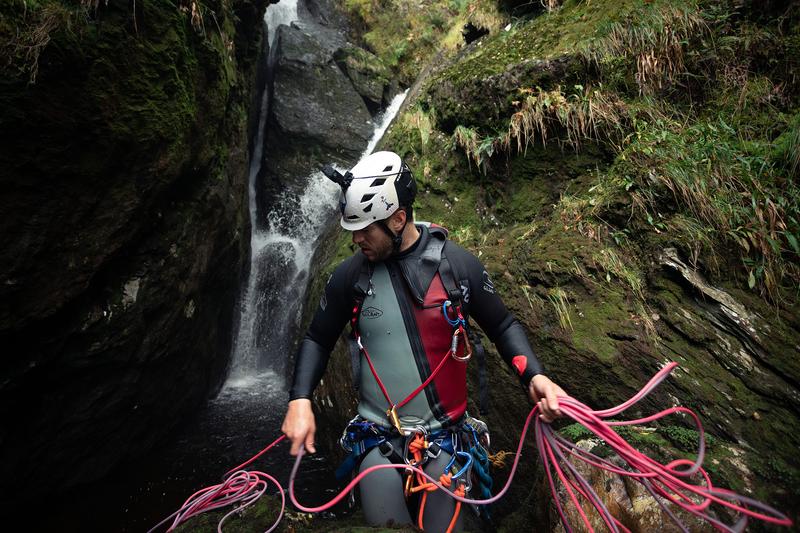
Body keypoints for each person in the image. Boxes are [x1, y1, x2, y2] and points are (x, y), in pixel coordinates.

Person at [282, 151, 566, 531]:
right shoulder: (350, 278)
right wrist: (300, 400)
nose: (356, 239)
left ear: (398, 218)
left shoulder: (456, 268)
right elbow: (318, 338)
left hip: (445, 438)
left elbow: (502, 325)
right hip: (376, 437)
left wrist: (534, 375)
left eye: (366, 229)